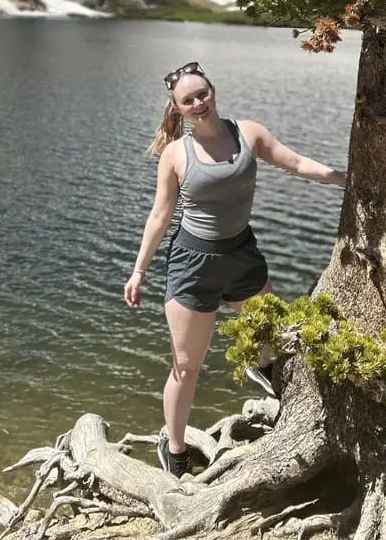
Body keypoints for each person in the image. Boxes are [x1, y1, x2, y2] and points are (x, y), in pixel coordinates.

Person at [123, 60, 347, 478]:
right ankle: (175, 451)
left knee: (273, 339)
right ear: (177, 109)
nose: (198, 103)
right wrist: (139, 272)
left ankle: (264, 372)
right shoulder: (176, 154)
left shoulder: (248, 133)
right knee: (187, 367)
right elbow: (160, 215)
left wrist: (345, 179)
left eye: (202, 94)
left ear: (213, 90)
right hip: (193, 264)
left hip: (242, 254)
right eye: (188, 100)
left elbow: (295, 163)